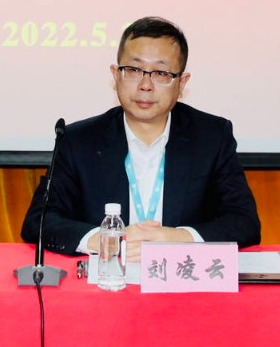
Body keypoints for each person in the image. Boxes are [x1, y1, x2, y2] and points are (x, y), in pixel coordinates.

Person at [21, 16, 260, 259]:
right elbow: (39, 221)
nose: (145, 85)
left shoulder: (211, 137)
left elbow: (244, 221)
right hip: (108, 274)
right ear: (116, 75)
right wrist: (103, 240)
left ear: (181, 83)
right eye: (133, 70)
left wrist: (179, 238)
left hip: (180, 275)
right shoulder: (78, 140)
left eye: (161, 73)